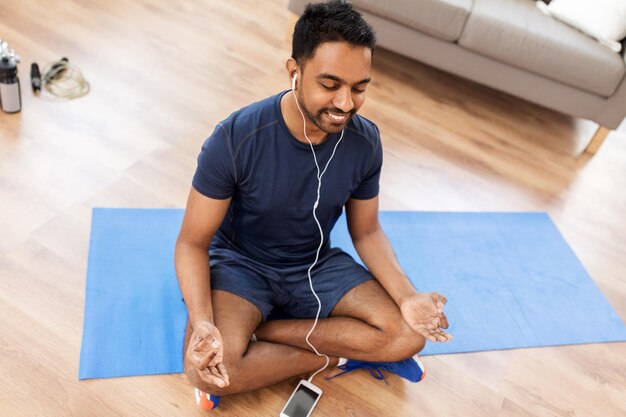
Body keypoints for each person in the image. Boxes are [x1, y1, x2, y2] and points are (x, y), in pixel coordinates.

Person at [175, 0, 452, 410]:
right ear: (294, 72)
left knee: (408, 334)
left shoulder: (365, 142)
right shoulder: (235, 138)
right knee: (209, 369)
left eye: (359, 88)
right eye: (330, 84)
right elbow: (192, 244)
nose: (345, 104)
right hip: (241, 265)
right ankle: (336, 350)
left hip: (314, 264)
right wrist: (203, 321)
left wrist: (408, 297)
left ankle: (266, 335)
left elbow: (367, 230)